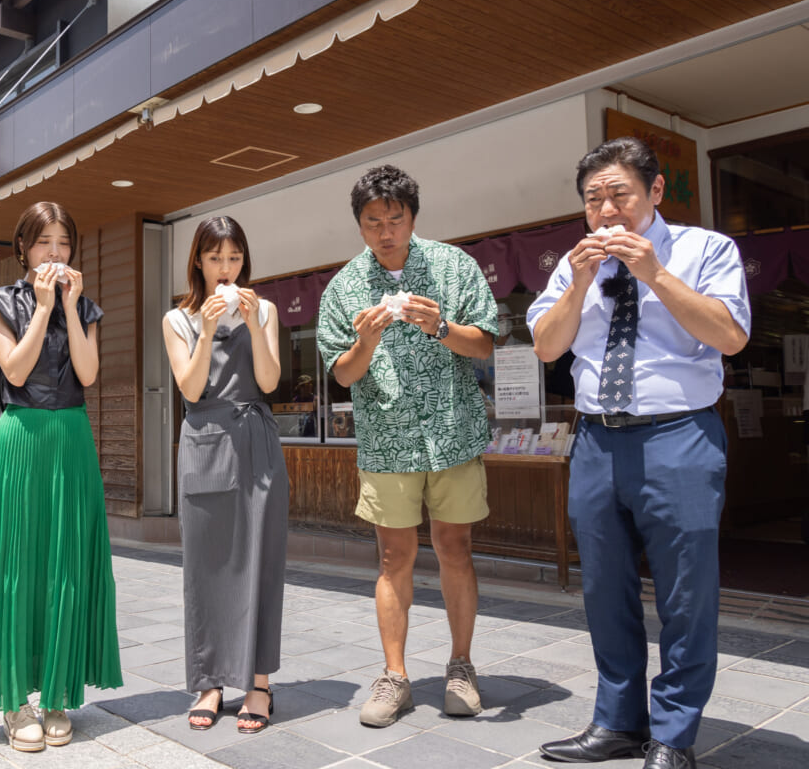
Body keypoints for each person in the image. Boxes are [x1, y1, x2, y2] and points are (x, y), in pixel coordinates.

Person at [529, 137, 750, 769]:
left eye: (618, 193)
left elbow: (730, 335)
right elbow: (548, 347)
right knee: (604, 588)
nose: (606, 209)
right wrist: (574, 283)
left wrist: (654, 272)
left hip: (679, 435)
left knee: (686, 593)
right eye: (593, 198)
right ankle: (618, 721)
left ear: (654, 192)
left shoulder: (707, 250)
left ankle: (674, 733)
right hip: (596, 438)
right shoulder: (573, 264)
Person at [317, 165, 498, 727]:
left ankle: (461, 667)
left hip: (452, 434)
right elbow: (343, 376)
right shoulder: (343, 286)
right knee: (393, 557)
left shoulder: (452, 267)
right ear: (360, 225)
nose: (385, 231)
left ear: (412, 217)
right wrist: (366, 340)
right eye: (373, 222)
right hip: (388, 441)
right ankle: (395, 677)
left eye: (395, 219)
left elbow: (486, 343)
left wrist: (441, 326)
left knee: (455, 548)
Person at [0, 201, 121, 752]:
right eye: (44, 243)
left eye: (63, 243)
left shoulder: (83, 306)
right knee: (15, 561)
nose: (55, 254)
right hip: (20, 439)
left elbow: (88, 373)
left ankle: (60, 695)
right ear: (23, 248)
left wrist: (67, 307)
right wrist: (42, 309)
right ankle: (15, 700)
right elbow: (15, 369)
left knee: (65, 561)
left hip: (71, 438)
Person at [162, 216, 289, 734]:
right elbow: (190, 390)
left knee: (262, 560)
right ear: (197, 260)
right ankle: (210, 680)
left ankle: (259, 683)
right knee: (206, 567)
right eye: (215, 258)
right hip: (205, 444)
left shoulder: (268, 309)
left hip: (256, 441)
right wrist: (209, 326)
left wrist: (256, 324)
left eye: (234, 258)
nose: (225, 268)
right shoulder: (178, 319)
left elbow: (269, 380)